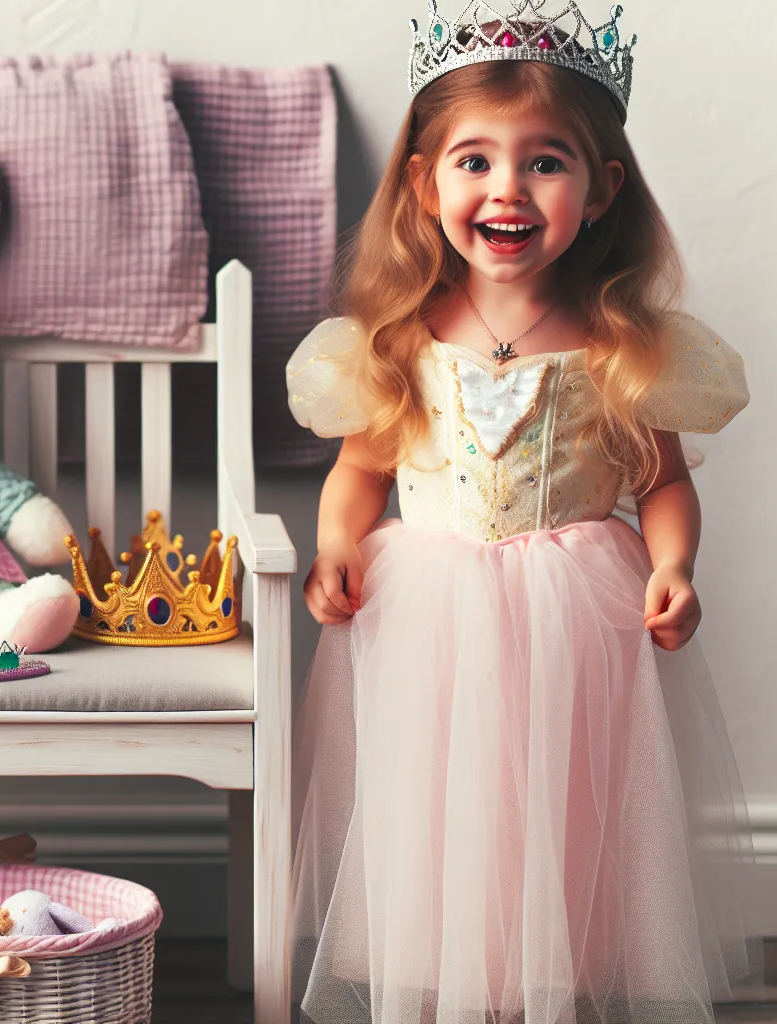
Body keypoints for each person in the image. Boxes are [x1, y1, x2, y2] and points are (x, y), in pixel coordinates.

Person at [286, 3, 757, 1022]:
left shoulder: (622, 342)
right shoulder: (398, 338)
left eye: (545, 162)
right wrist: (334, 546)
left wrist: (673, 566)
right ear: (422, 182)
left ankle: (550, 993)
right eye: (473, 161)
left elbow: (663, 482)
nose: (507, 187)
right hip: (428, 617)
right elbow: (359, 471)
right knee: (443, 819)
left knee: (564, 819)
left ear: (599, 190)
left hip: (576, 622)